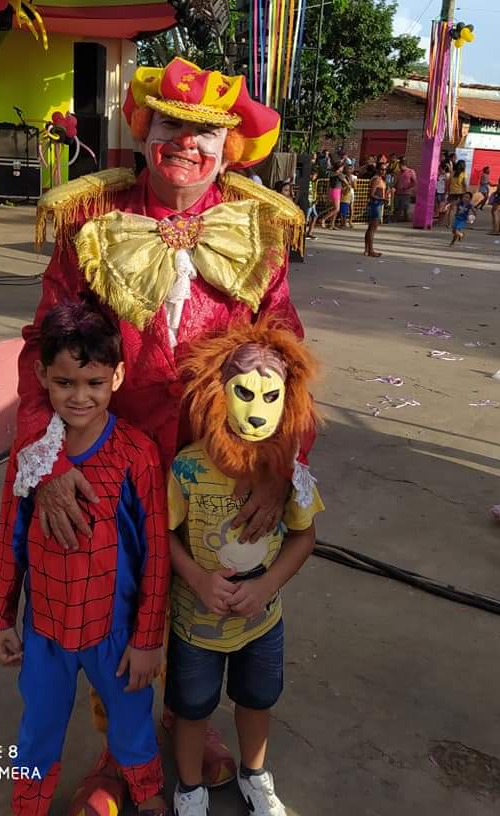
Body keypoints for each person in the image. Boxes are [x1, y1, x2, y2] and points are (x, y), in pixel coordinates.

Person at [6, 56, 308, 815]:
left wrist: (280, 469)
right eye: (174, 125)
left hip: (220, 465)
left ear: (230, 147)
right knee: (114, 608)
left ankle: (187, 721)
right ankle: (120, 754)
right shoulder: (89, 220)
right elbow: (41, 345)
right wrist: (47, 463)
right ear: (144, 131)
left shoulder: (257, 228)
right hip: (109, 459)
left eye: (207, 131)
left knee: (207, 603)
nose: (189, 144)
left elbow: (285, 351)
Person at [0, 301, 170, 816]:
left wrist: (146, 640)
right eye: (65, 383)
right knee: (39, 728)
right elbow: (11, 538)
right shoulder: (32, 455)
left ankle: (148, 793)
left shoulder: (136, 453)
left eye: (94, 382)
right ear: (43, 376)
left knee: (131, 721)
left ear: (117, 375)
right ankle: (28, 803)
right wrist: (2, 618)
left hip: (115, 634)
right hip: (45, 630)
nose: (79, 396)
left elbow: (156, 552)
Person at [165, 324, 323, 816]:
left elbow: (305, 534)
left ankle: (257, 775)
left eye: (271, 395)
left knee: (258, 700)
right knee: (191, 709)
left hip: (263, 621)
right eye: (244, 392)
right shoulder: (187, 469)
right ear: (218, 394)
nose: (257, 409)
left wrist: (270, 584)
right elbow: (162, 533)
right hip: (195, 623)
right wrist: (195, 577)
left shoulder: (287, 474)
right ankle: (189, 788)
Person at [364, 166, 386, 258]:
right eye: (381, 169)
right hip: (375, 204)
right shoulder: (376, 179)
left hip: (377, 204)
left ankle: (367, 249)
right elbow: (371, 194)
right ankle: (370, 250)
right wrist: (382, 199)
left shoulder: (380, 179)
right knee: (372, 228)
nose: (383, 171)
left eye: (385, 169)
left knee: (370, 228)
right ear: (377, 169)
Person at [322, 163, 345, 230]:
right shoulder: (340, 174)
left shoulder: (331, 174)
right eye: (342, 167)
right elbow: (346, 182)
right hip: (336, 191)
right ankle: (324, 219)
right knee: (336, 209)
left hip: (332, 190)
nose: (342, 168)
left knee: (335, 209)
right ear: (339, 167)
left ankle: (332, 224)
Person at [446, 159, 468, 227]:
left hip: (452, 192)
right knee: (460, 209)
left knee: (451, 209)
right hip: (460, 193)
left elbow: (448, 183)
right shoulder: (463, 174)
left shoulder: (452, 173)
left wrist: (448, 191)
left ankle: (449, 224)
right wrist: (466, 193)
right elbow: (464, 184)